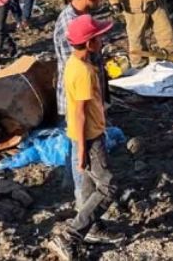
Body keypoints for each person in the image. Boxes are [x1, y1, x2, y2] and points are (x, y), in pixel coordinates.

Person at [46, 15, 122, 260]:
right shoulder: (85, 72)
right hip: (89, 137)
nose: (103, 40)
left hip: (84, 135)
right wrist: (81, 151)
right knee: (108, 186)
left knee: (89, 189)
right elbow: (79, 114)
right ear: (89, 43)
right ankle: (72, 233)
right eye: (98, 37)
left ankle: (90, 228)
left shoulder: (72, 64)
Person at [54, 0, 110, 117]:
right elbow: (75, 73)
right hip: (80, 105)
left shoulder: (82, 17)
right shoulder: (71, 26)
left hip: (89, 101)